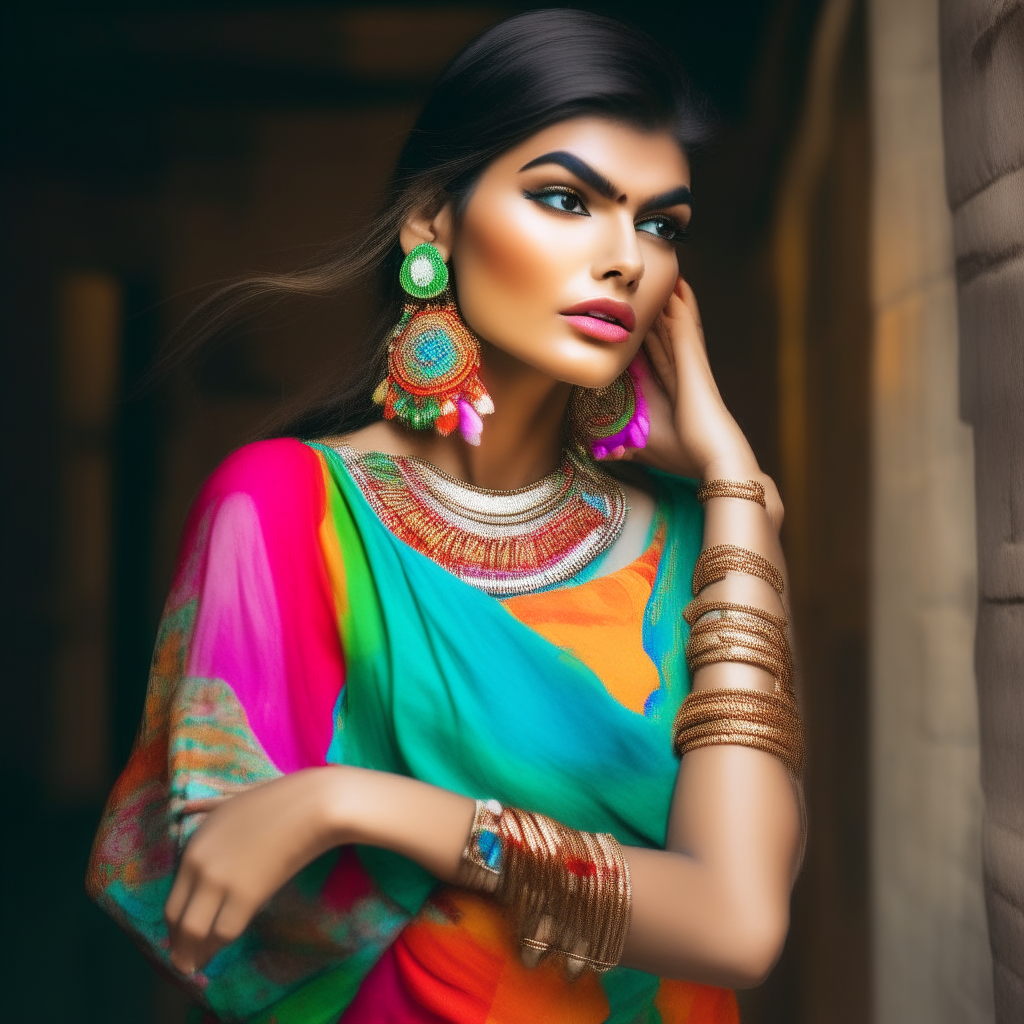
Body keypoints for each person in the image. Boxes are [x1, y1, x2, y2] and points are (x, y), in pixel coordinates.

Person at [88, 10, 804, 1023]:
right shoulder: (289, 511)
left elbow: (736, 924)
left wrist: (356, 800)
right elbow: (225, 912)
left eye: (658, 224)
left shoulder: (702, 535)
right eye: (565, 199)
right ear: (433, 222)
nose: (624, 259)